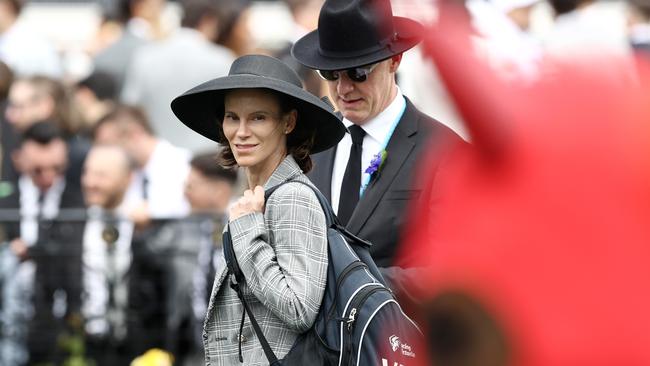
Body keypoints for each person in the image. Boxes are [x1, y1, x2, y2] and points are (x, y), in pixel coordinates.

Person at [171, 54, 346, 364]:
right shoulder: (258, 197)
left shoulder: (293, 196)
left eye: (258, 117)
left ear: (288, 122)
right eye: (232, 117)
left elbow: (298, 309)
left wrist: (250, 231)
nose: (241, 131)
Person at [291, 0, 463, 293]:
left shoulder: (445, 152)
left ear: (394, 61)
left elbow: (452, 273)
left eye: (358, 72)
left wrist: (351, 285)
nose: (344, 88)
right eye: (331, 74)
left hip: (396, 333)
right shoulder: (310, 141)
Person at [121, 0, 235, 152]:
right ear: (209, 21)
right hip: (207, 154)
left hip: (159, 151)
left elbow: (130, 105)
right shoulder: (223, 59)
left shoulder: (145, 56)